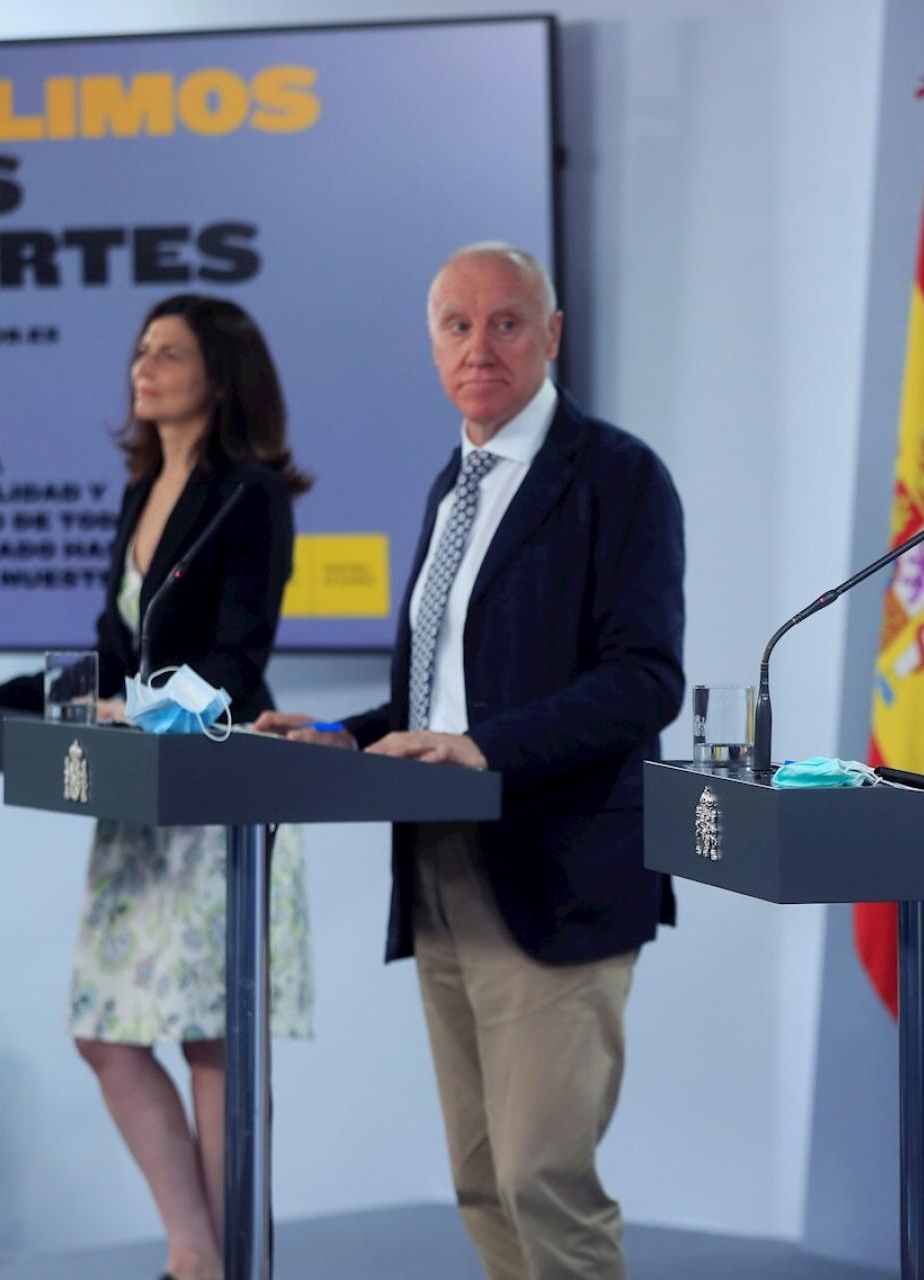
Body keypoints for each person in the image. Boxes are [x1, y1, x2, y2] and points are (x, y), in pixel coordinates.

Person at [257, 242, 685, 1280]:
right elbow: (442, 700)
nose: (478, 346)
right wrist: (345, 735)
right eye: (457, 325)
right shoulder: (454, 484)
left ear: (552, 334)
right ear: (432, 346)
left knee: (544, 1178)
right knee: (482, 1177)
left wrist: (485, 748)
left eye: (505, 322)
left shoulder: (616, 474)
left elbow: (644, 679)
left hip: (558, 868)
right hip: (440, 862)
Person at [0, 294, 314, 1280]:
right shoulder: (140, 493)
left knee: (212, 1043)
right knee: (105, 1035)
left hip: (216, 790)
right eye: (141, 350)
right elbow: (111, 659)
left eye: (169, 352)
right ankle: (197, 1253)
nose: (142, 368)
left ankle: (224, 1265)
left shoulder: (250, 494)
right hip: (137, 797)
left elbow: (237, 664)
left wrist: (140, 707)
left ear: (221, 374)